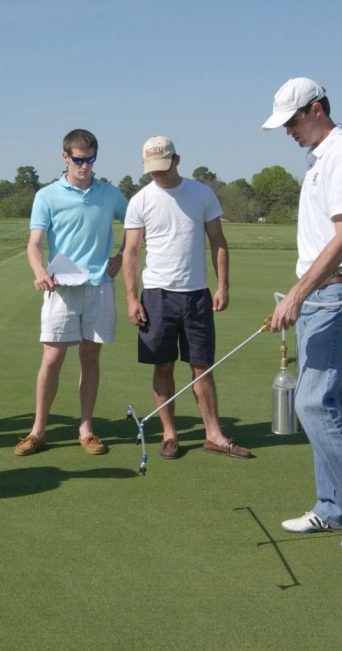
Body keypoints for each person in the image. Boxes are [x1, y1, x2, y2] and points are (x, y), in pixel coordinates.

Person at [262, 77, 342, 550]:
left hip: (335, 294)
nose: (288, 131)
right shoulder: (321, 158)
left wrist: (296, 294)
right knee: (325, 402)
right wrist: (302, 294)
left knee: (311, 403)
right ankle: (331, 507)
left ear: (316, 109)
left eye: (292, 121)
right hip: (320, 296)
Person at [122, 136, 252, 462]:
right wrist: (130, 298)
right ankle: (169, 434)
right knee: (162, 365)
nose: (159, 175)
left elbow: (218, 242)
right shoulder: (140, 200)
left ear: (176, 159)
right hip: (156, 295)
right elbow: (132, 252)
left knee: (202, 367)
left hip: (196, 295)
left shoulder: (201, 194)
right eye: (152, 170)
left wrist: (223, 286)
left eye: (163, 168)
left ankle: (214, 435)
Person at [14, 128, 127, 456]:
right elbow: (34, 244)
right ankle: (38, 431)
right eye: (78, 160)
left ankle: (86, 429)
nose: (85, 166)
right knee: (51, 358)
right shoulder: (47, 196)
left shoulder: (110, 194)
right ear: (65, 157)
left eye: (90, 159)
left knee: (90, 357)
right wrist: (38, 271)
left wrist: (120, 256)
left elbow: (137, 223)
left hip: (99, 287)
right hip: (62, 287)